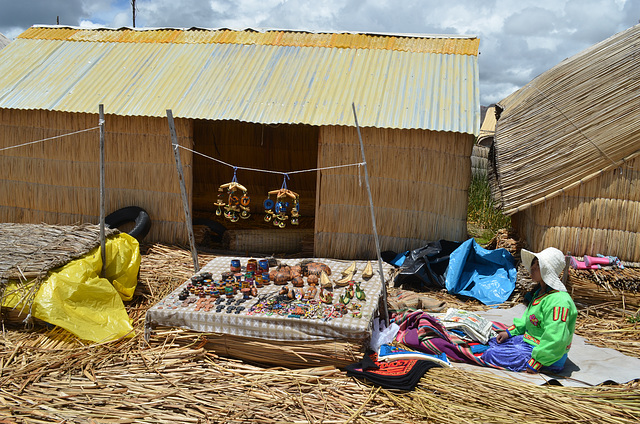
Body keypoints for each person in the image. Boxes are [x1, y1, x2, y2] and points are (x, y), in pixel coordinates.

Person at [481, 247, 577, 373]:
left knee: (490, 354)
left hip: (547, 356)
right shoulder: (540, 293)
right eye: (533, 264)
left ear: (547, 270)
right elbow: (527, 319)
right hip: (529, 341)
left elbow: (556, 338)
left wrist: (537, 362)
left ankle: (543, 362)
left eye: (538, 265)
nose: (532, 268)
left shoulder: (559, 301)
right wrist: (509, 333)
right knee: (494, 342)